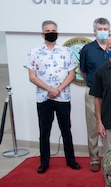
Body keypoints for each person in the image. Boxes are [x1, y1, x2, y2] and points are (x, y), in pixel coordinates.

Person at [25, 20, 81, 174]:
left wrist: (58, 89)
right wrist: (49, 89)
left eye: (53, 30)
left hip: (63, 98)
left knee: (66, 130)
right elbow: (32, 77)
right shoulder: (34, 52)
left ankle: (71, 160)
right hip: (43, 98)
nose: (51, 32)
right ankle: (44, 162)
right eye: (48, 30)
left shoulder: (66, 51)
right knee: (44, 131)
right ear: (43, 34)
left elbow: (71, 74)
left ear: (58, 33)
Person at [79, 17, 111, 172]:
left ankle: (110, 157)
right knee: (93, 127)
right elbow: (83, 72)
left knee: (110, 128)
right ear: (94, 31)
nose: (103, 32)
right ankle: (94, 158)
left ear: (109, 31)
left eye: (105, 29)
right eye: (100, 29)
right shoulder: (87, 49)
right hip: (92, 93)